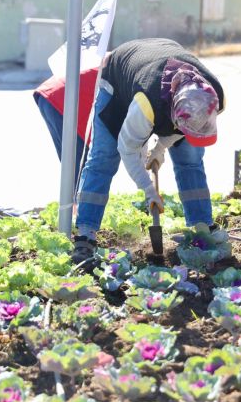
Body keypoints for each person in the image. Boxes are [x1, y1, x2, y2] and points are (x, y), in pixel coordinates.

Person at [72, 38, 225, 263]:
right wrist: (147, 188)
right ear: (174, 113)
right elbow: (128, 149)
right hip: (118, 81)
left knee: (190, 157)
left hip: (162, 63)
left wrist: (160, 147)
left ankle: (202, 226)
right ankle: (85, 234)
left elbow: (182, 131)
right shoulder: (145, 105)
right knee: (104, 158)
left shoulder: (214, 96)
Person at [34, 68, 99, 183]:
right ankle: (78, 200)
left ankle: (72, 199)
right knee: (81, 172)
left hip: (49, 95)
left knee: (72, 170)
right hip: (64, 100)